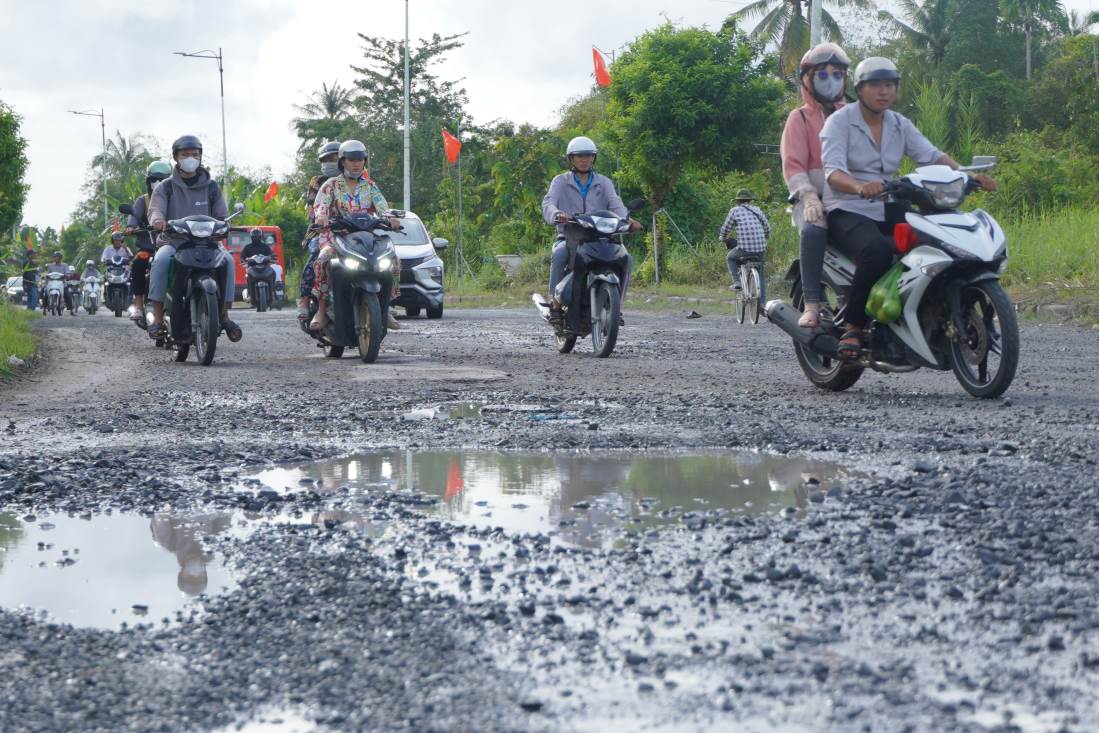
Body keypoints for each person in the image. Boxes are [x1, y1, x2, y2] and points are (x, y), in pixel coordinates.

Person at [821, 57, 996, 358]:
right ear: (860, 89)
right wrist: (860, 186)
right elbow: (832, 172)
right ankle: (853, 327)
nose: (884, 91)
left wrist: (967, 177)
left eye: (889, 85)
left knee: (935, 238)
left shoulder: (899, 124)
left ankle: (927, 309)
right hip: (847, 206)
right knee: (876, 250)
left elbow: (931, 156)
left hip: (886, 202)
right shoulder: (840, 122)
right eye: (875, 85)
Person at [147, 134, 241, 343]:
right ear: (176, 157)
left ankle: (225, 315)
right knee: (161, 260)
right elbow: (155, 210)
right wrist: (158, 221)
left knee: (227, 261)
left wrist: (225, 224)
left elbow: (221, 216)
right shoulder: (165, 187)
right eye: (185, 154)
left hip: (207, 243)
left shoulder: (212, 187)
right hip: (174, 242)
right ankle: (158, 318)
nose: (191, 158)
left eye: (195, 154)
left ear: (200, 157)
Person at [781, 43, 849, 328]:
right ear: (808, 80)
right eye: (823, 75)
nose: (831, 81)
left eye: (837, 74)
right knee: (813, 230)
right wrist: (808, 196)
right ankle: (811, 303)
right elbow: (793, 166)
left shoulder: (854, 115)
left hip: (850, 197)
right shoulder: (799, 118)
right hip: (813, 200)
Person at [541, 135, 641, 328]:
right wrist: (557, 214)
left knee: (626, 259)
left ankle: (616, 306)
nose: (584, 160)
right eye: (579, 156)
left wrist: (628, 220)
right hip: (571, 236)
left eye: (588, 155)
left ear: (593, 158)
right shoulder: (561, 181)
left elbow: (616, 205)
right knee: (560, 253)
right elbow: (549, 203)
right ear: (571, 158)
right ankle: (555, 303)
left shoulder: (604, 182)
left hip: (600, 236)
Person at [310, 139, 402, 332]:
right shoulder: (331, 185)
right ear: (342, 161)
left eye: (360, 159)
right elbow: (321, 207)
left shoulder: (370, 186)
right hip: (335, 236)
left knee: (394, 259)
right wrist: (321, 217)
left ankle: (386, 308)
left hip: (364, 237)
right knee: (323, 259)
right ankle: (322, 309)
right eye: (351, 159)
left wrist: (391, 219)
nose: (356, 163)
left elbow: (382, 207)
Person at [125, 160, 173, 321]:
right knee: (138, 263)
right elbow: (134, 216)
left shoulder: (175, 198)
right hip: (149, 245)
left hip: (172, 243)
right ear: (148, 181)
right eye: (154, 179)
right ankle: (139, 305)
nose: (158, 183)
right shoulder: (143, 200)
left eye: (162, 179)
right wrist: (131, 227)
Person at [298, 140, 340, 321]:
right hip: (321, 230)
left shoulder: (360, 180)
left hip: (351, 231)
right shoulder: (317, 181)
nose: (329, 162)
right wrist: (321, 218)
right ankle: (305, 299)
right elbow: (312, 208)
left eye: (334, 158)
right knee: (316, 253)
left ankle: (384, 303)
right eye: (326, 160)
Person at [718, 189, 771, 303]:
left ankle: (737, 282)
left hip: (745, 248)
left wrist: (722, 238)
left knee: (730, 257)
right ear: (750, 201)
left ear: (738, 201)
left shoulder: (735, 211)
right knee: (761, 273)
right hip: (761, 248)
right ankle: (762, 303)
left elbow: (726, 228)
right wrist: (764, 238)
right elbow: (767, 228)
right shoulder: (757, 210)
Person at [240, 227, 276, 306]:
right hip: (252, 268)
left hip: (265, 267)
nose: (256, 238)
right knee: (247, 276)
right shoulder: (247, 247)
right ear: (251, 237)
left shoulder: (265, 246)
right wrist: (244, 260)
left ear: (260, 237)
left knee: (273, 272)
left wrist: (272, 257)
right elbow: (242, 257)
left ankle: (273, 291)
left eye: (258, 236)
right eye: (254, 236)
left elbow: (271, 254)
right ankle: (249, 294)